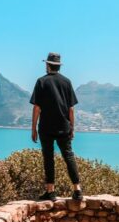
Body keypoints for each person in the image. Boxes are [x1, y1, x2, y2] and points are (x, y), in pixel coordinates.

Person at [30, 52, 82, 202]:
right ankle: (77, 189)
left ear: (47, 65)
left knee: (48, 158)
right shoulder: (67, 82)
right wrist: (72, 127)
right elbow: (71, 109)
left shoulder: (41, 82)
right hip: (64, 126)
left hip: (46, 127)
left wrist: (33, 128)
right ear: (58, 66)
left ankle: (50, 191)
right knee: (68, 156)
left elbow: (37, 108)